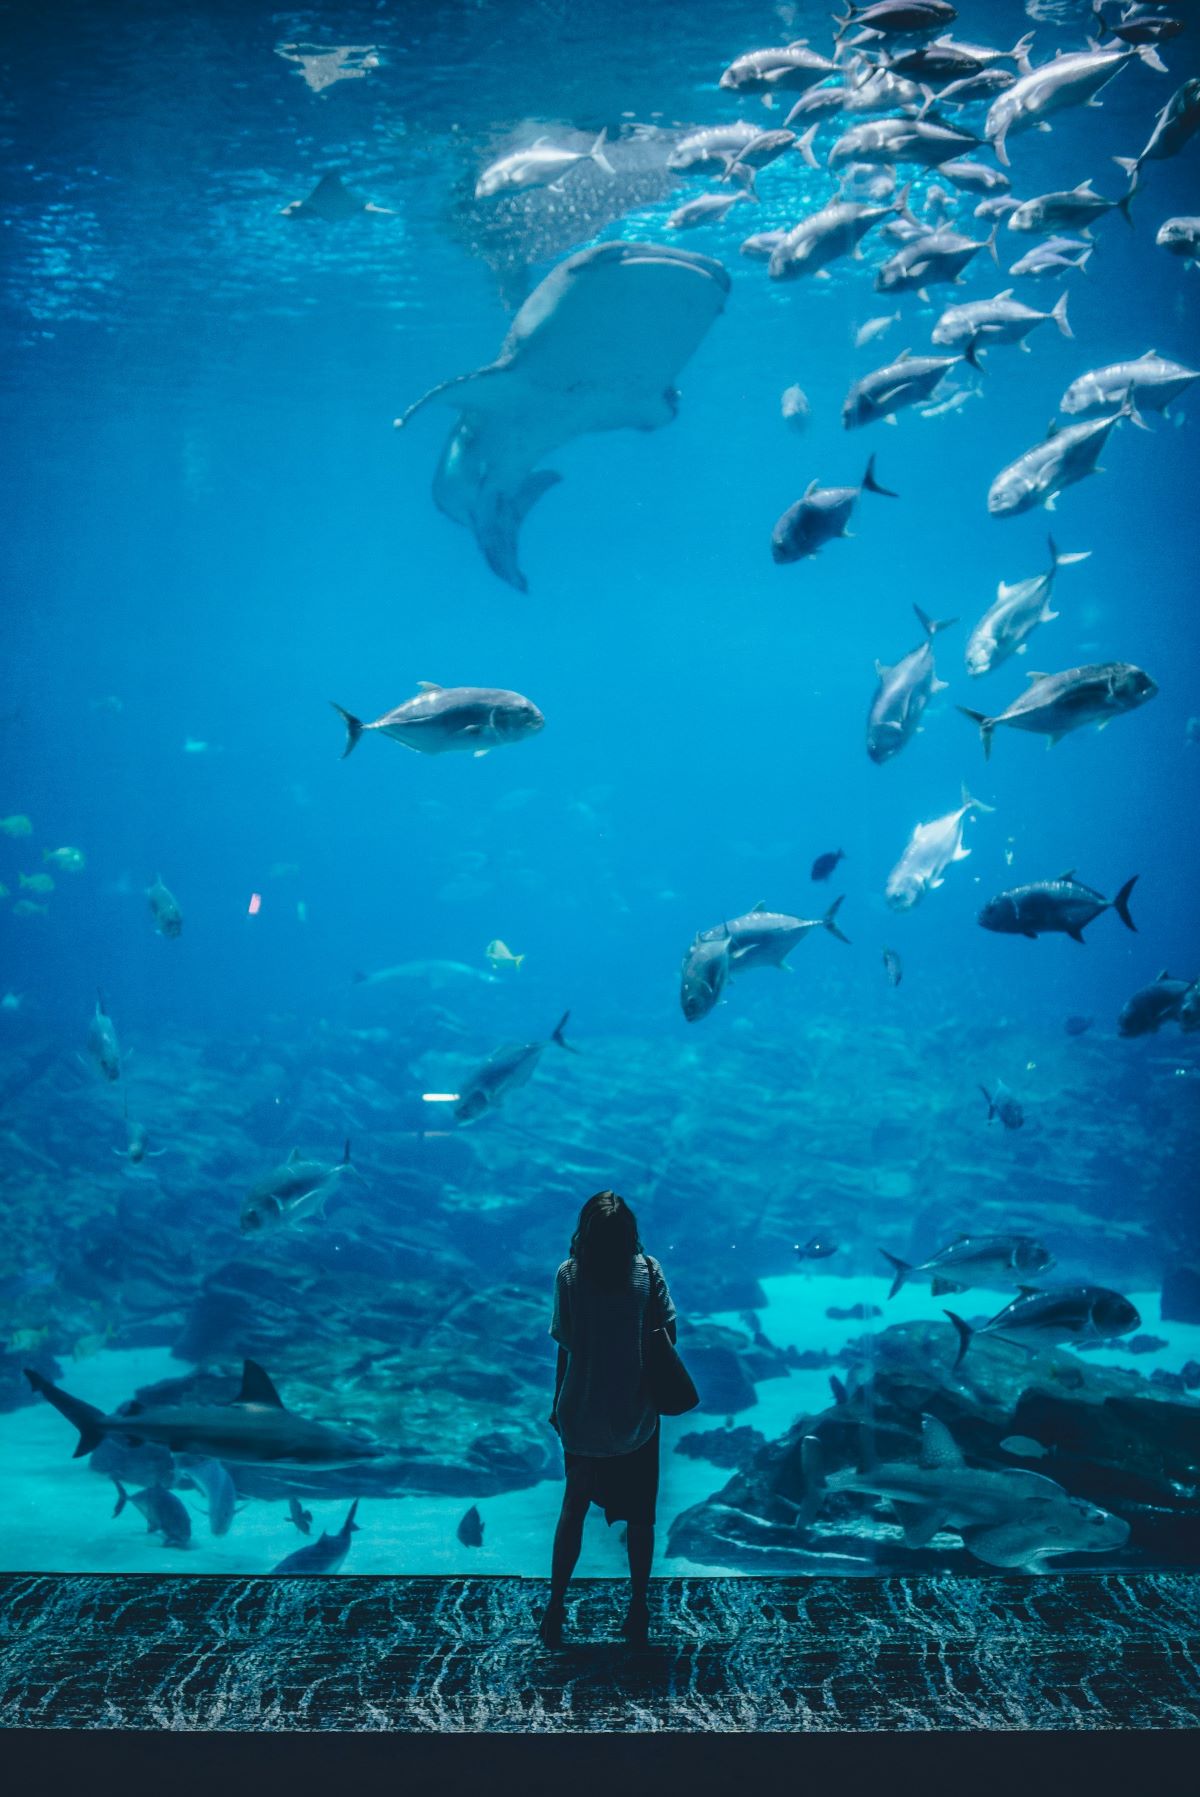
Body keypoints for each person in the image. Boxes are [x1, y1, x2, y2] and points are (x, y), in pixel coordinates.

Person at [540, 1190, 676, 1649]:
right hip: (636, 1412)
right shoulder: (648, 1271)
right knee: (641, 1517)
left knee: (572, 1511)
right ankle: (638, 1606)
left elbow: (566, 1343)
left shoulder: (569, 1275)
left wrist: (558, 1404)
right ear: (629, 1234)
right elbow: (668, 1332)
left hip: (581, 1410)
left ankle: (555, 1607)